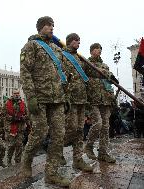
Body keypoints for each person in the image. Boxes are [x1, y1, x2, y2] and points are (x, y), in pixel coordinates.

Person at [20, 16, 70, 187]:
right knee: (40, 133)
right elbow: (25, 72)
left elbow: (63, 74)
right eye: (48, 25)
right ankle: (27, 158)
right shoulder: (31, 46)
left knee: (59, 135)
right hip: (39, 97)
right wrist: (31, 97)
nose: (52, 28)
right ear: (40, 27)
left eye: (53, 25)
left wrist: (66, 96)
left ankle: (52, 173)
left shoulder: (57, 49)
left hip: (57, 98)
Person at [60, 33, 93, 172]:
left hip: (81, 99)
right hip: (70, 99)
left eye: (79, 41)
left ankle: (78, 159)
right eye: (76, 40)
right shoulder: (61, 56)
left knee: (80, 131)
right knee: (71, 129)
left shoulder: (80, 59)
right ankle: (57, 150)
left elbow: (88, 74)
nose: (78, 43)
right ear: (69, 42)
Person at [84, 43, 117, 163]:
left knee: (105, 127)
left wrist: (112, 98)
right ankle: (88, 145)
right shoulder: (86, 63)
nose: (99, 51)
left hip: (106, 99)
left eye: (100, 49)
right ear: (91, 50)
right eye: (97, 49)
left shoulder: (105, 66)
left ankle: (103, 152)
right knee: (97, 123)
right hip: (93, 99)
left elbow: (108, 84)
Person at [4, 89, 26, 166]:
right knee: (11, 146)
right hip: (10, 128)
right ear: (12, 94)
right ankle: (9, 162)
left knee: (19, 146)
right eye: (15, 93)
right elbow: (3, 114)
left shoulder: (23, 103)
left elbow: (27, 115)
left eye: (17, 93)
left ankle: (18, 161)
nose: (16, 94)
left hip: (20, 128)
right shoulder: (7, 103)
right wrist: (12, 118)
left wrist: (23, 118)